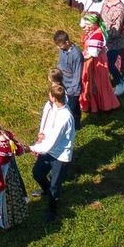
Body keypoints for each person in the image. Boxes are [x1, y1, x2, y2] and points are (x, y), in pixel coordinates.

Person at [31, 79, 76, 221]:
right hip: (50, 151)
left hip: (60, 156)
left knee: (55, 185)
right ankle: (46, 190)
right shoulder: (57, 106)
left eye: (50, 95)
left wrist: (29, 148)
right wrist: (43, 132)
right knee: (37, 173)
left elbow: (50, 144)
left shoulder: (65, 117)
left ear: (55, 98)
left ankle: (52, 209)